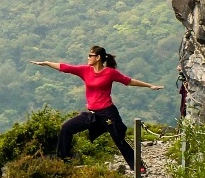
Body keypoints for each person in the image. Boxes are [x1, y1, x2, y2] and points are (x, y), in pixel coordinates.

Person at [31, 46, 162, 171]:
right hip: (92, 114)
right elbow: (65, 67)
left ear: (98, 57)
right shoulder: (85, 70)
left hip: (108, 113)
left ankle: (138, 166)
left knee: (119, 139)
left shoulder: (110, 73)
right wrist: (47, 63)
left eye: (90, 55)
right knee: (66, 128)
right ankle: (63, 160)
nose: (88, 58)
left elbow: (128, 81)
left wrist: (149, 86)